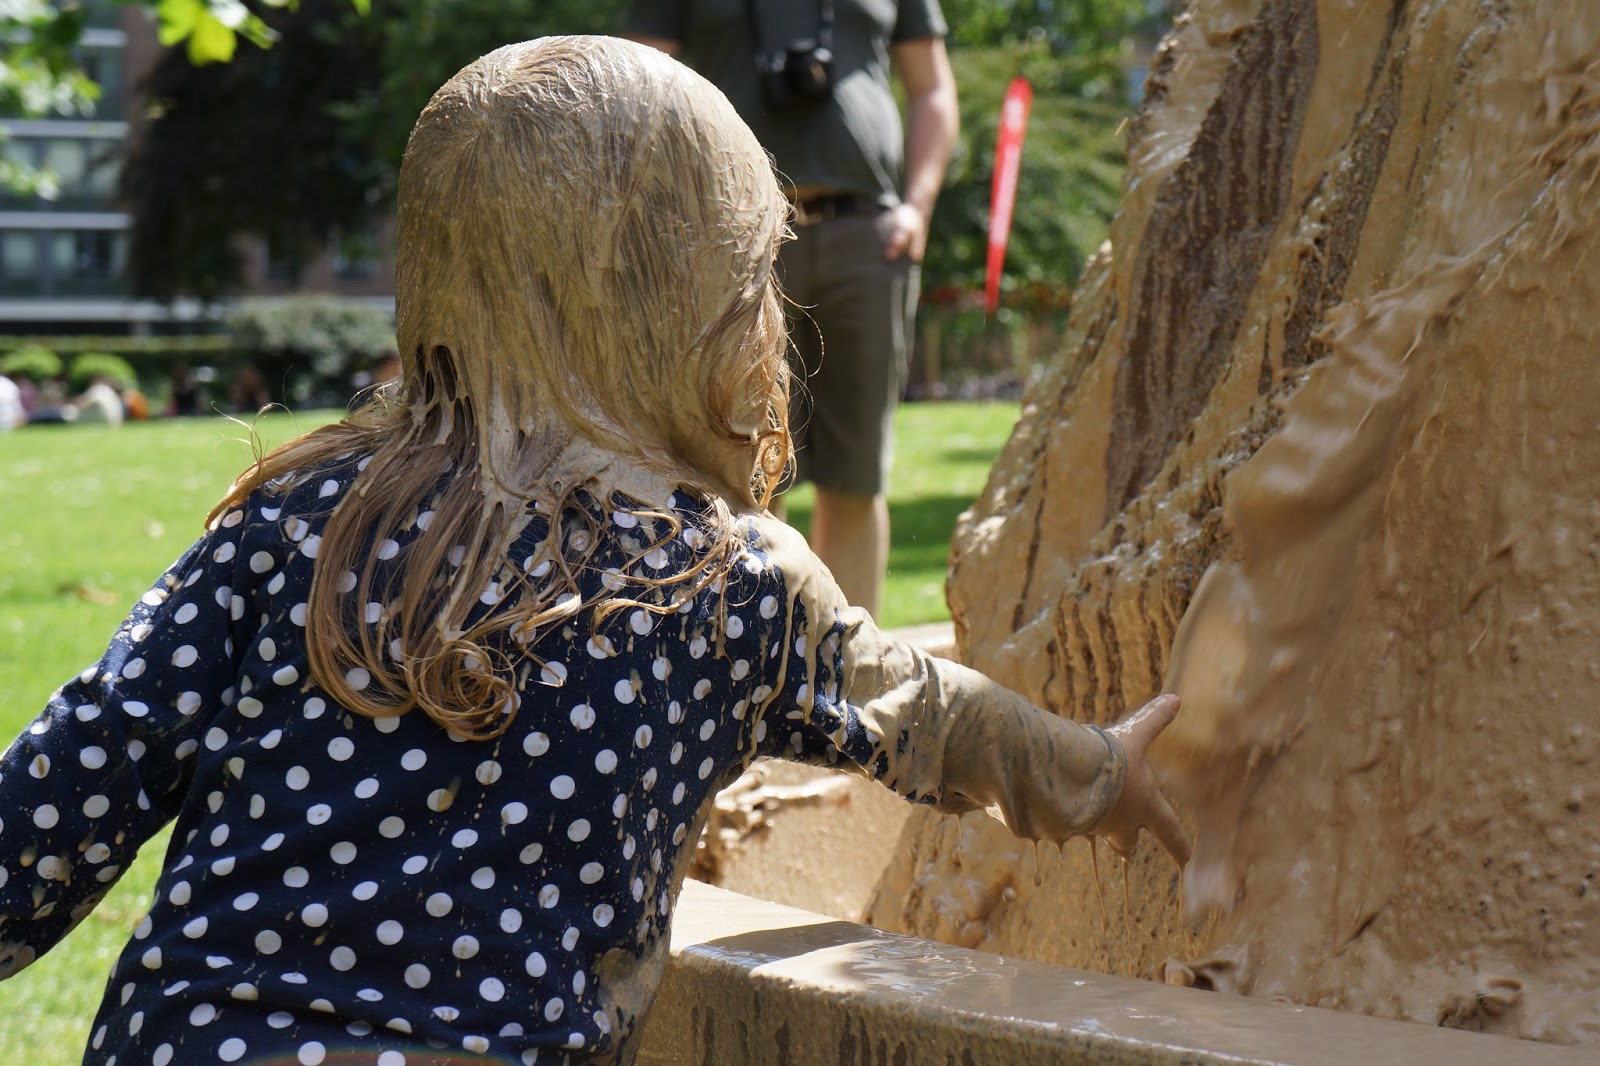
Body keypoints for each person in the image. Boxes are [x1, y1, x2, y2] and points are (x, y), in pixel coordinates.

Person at [0, 37, 1184, 1066]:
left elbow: (73, 782)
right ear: (710, 302)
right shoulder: (730, 584)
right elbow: (926, 714)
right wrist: (1103, 770)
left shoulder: (299, 520)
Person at [625, 0, 960, 619]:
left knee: (857, 474)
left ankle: (851, 677)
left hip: (868, 235)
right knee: (745, 467)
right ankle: (761, 674)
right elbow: (637, 87)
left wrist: (917, 208)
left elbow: (932, 87)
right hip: (732, 237)